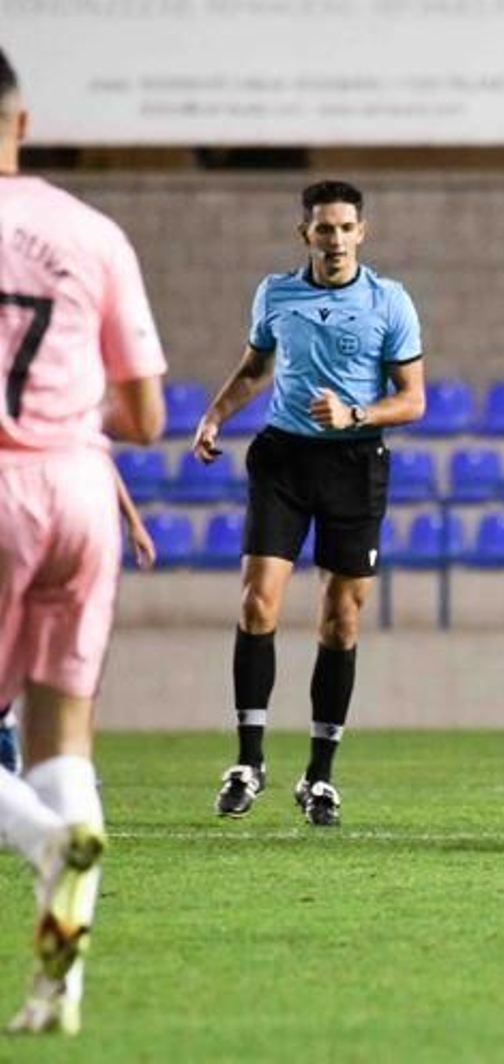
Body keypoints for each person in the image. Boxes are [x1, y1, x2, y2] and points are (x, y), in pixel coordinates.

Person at [0, 46, 169, 1035]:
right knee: (62, 737)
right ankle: (57, 989)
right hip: (80, 489)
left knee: (45, 805)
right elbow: (144, 414)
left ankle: (45, 839)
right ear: (22, 119)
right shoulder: (92, 231)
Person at [192, 180, 425, 827]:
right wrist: (214, 416)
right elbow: (253, 369)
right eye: (324, 229)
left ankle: (320, 777)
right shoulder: (277, 293)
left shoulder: (389, 302)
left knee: (340, 620)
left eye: (346, 227)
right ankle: (248, 761)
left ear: (362, 232)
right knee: (256, 599)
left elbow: (414, 399)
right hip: (285, 458)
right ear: (306, 236)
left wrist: (355, 412)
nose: (335, 239)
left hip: (355, 463)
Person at [0, 472, 158, 780]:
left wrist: (133, 521)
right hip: (26, 527)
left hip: (52, 532)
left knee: (59, 664)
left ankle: (67, 769)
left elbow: (97, 457)